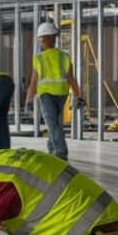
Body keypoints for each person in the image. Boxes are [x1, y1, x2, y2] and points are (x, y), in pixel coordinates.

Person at [25, 21, 83, 160]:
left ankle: (61, 151)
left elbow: (33, 82)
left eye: (40, 40)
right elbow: (71, 79)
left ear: (45, 39)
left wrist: (29, 100)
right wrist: (77, 95)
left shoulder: (38, 59)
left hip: (45, 95)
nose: (40, 43)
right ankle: (52, 149)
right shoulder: (64, 56)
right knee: (55, 123)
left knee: (52, 124)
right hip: (62, 94)